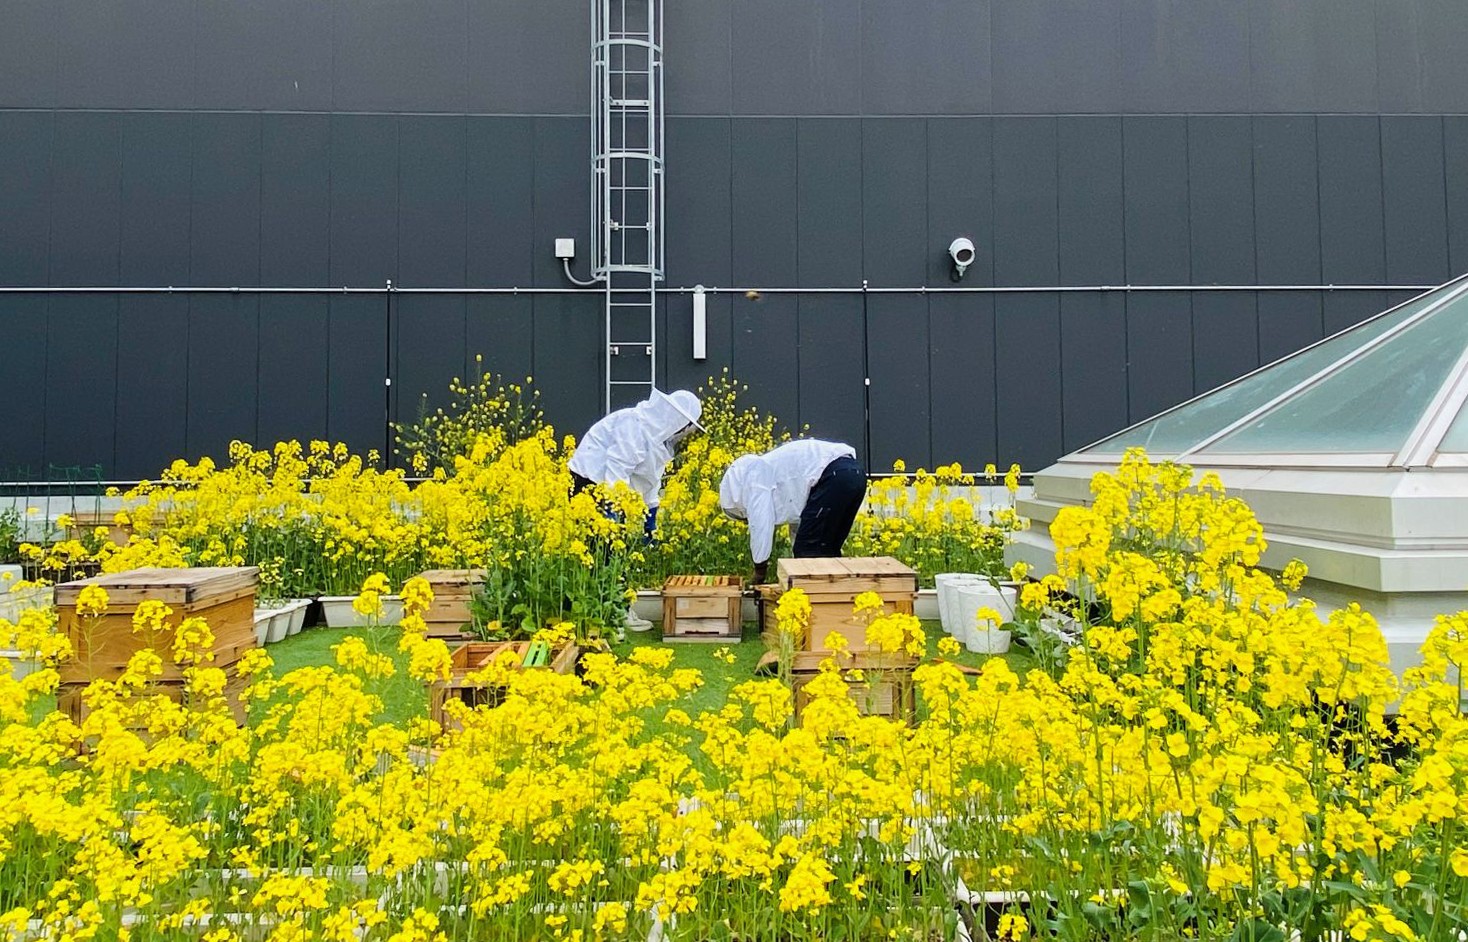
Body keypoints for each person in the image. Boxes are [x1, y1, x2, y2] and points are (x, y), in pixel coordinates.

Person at [568, 388, 703, 630]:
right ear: (675, 419)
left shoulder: (658, 439)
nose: (683, 433)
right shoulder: (633, 424)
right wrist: (611, 508)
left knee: (612, 551)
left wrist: (651, 516)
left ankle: (614, 611)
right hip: (589, 483)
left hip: (608, 489)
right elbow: (616, 469)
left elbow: (651, 479)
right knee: (603, 550)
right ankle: (610, 614)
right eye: (684, 427)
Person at [718, 439, 866, 584]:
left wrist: (759, 571)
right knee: (826, 550)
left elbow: (760, 525)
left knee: (809, 550)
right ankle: (835, 601)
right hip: (854, 474)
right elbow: (802, 520)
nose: (746, 521)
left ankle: (815, 603)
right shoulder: (771, 469)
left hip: (834, 475)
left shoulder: (755, 480)